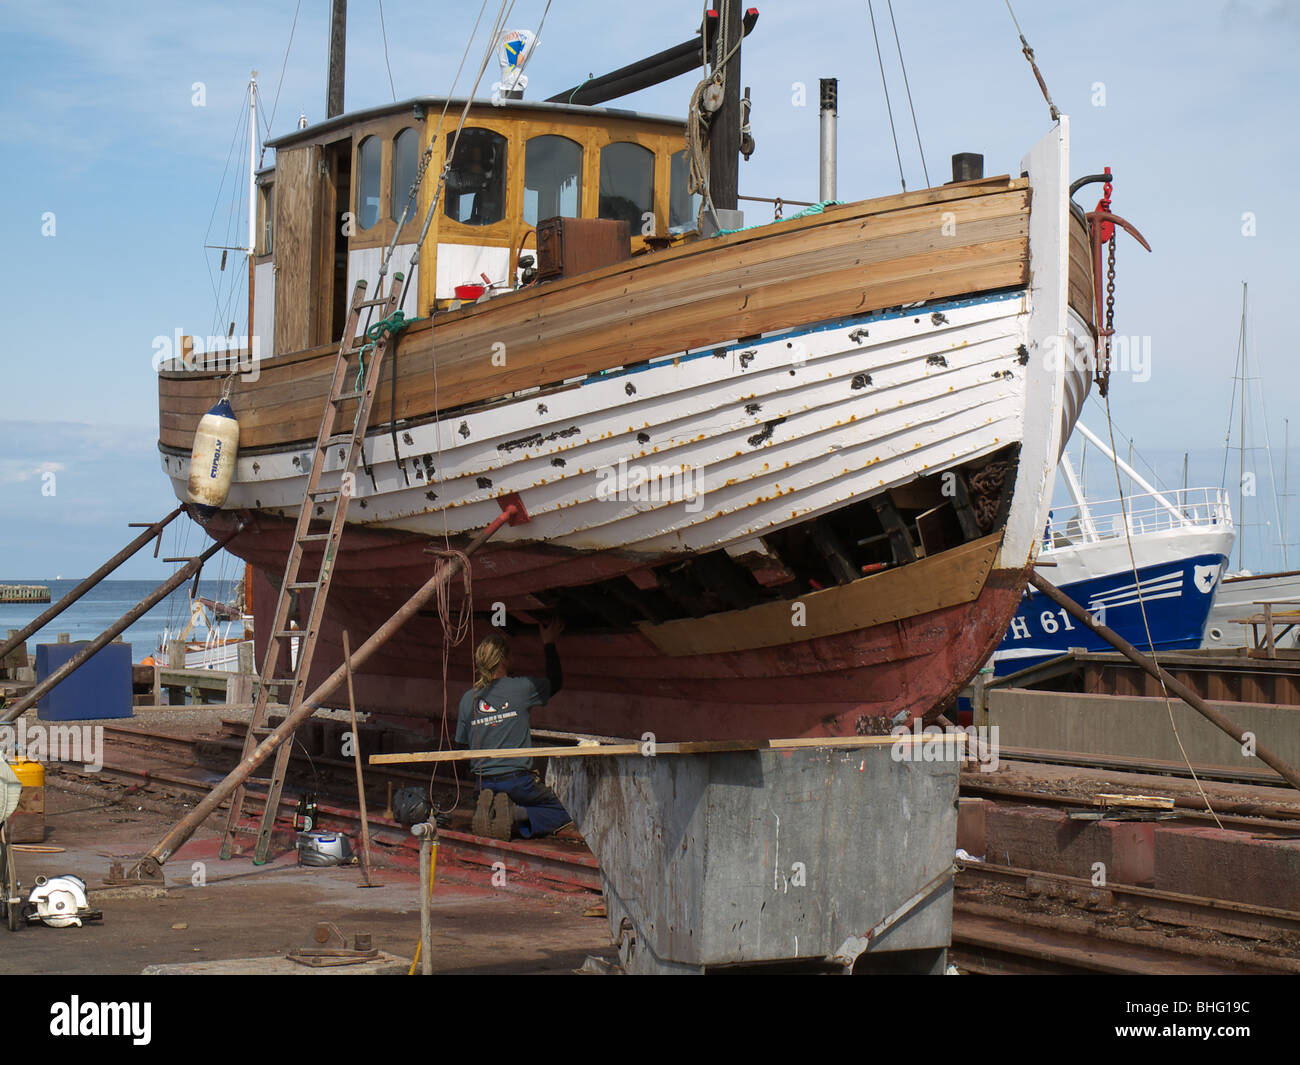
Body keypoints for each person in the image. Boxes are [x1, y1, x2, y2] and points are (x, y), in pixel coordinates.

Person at [455, 620, 572, 841]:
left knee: (494, 792)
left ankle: (491, 809)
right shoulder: (522, 687)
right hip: (518, 782)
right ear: (505, 660)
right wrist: (549, 643)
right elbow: (555, 682)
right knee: (566, 811)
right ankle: (515, 813)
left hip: (483, 782)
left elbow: (461, 745)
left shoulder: (466, 699)